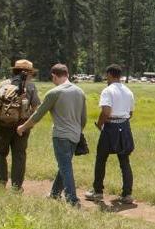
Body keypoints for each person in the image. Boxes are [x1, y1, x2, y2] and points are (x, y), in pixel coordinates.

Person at [17, 63, 87, 206]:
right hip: (75, 135)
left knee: (65, 166)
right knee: (64, 165)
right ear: (67, 74)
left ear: (54, 76)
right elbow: (83, 118)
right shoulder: (80, 92)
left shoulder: (54, 93)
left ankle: (72, 199)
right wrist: (78, 132)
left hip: (60, 135)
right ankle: (55, 194)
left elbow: (38, 115)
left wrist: (23, 127)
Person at [85, 64, 136, 205]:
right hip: (124, 126)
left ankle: (98, 191)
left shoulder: (107, 91)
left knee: (101, 159)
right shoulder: (128, 91)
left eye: (106, 75)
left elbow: (106, 112)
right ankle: (127, 194)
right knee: (124, 161)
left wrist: (100, 124)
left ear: (110, 75)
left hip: (110, 127)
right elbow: (130, 113)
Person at [0, 59, 41, 191]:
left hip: (3, 125)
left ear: (14, 70)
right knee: (19, 155)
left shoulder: (4, 84)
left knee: (0, 153)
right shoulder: (30, 86)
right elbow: (36, 107)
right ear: (29, 72)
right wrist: (29, 123)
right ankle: (16, 187)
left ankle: (0, 184)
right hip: (22, 127)